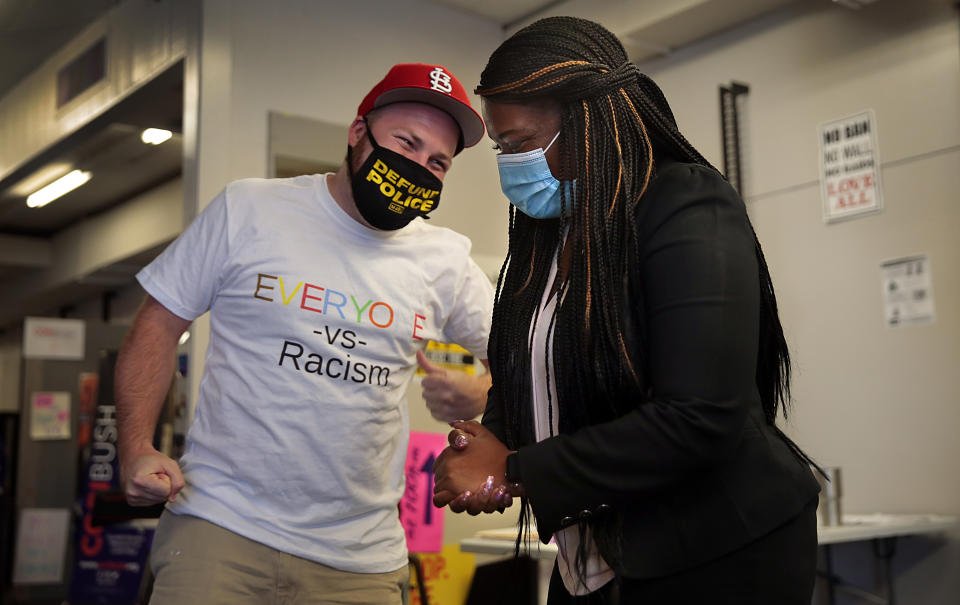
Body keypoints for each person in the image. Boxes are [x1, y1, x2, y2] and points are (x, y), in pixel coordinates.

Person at [432, 17, 822, 604]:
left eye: (518, 143)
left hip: (714, 553)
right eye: (500, 147)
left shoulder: (686, 204)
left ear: (589, 125)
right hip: (595, 557)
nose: (508, 163)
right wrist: (486, 441)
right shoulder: (549, 237)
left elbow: (699, 416)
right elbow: (530, 374)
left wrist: (516, 469)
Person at [116, 63, 494, 604]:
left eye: (437, 161)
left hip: (360, 558)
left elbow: (524, 356)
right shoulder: (250, 209)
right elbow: (159, 319)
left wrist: (482, 392)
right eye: (405, 144)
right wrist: (134, 448)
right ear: (358, 133)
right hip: (220, 528)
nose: (417, 168)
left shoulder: (445, 260)